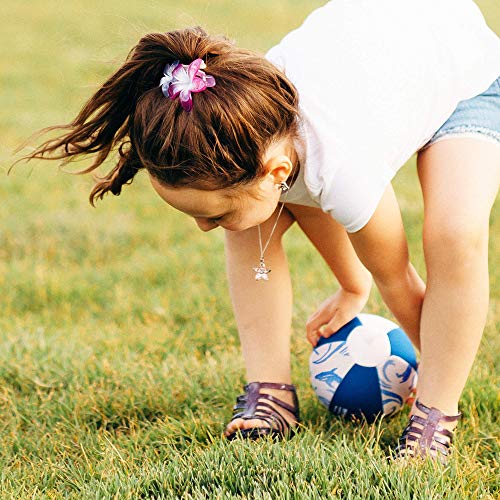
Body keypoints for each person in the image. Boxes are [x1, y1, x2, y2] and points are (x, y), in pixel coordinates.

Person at [24, 0, 500, 463]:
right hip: (384, 68)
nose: (202, 227)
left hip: (465, 77)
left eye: (211, 215)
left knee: (454, 232)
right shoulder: (244, 120)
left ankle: (437, 415)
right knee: (249, 220)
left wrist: (431, 362)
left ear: (275, 171)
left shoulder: (343, 168)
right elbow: (302, 195)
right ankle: (270, 393)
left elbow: (396, 278)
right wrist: (351, 285)